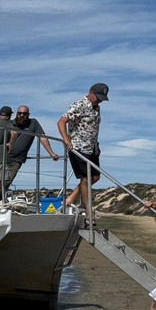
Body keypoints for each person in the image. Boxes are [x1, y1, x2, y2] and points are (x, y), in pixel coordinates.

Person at [57, 82, 109, 220]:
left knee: (95, 178)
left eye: (102, 99)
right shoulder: (78, 105)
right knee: (85, 180)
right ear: (91, 93)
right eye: (98, 97)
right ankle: (88, 211)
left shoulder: (96, 107)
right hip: (78, 147)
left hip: (92, 148)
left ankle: (70, 199)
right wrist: (67, 140)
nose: (100, 101)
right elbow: (61, 122)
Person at [6, 106, 60, 186]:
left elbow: (42, 136)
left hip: (16, 159)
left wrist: (51, 153)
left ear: (28, 114)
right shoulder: (10, 123)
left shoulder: (33, 123)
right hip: (3, 157)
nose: (21, 115)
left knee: (6, 182)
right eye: (19, 113)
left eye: (24, 113)